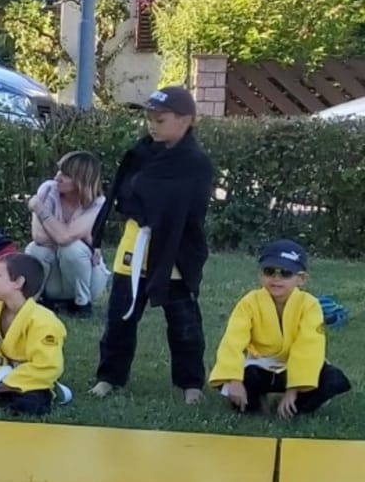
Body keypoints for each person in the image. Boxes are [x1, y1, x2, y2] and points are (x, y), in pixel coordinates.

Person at [91, 86, 214, 403]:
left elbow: (191, 210)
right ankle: (109, 377)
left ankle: (190, 384)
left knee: (184, 324)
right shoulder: (141, 153)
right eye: (149, 119)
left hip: (175, 251)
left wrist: (158, 212)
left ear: (185, 120)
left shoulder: (196, 163)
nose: (152, 126)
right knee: (120, 317)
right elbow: (125, 195)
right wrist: (145, 210)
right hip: (135, 245)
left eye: (160, 120)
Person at [211, 239, 351, 419]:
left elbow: (309, 346)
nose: (276, 279)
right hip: (259, 365)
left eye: (286, 273)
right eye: (269, 272)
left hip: (292, 366)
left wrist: (294, 389)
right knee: (238, 389)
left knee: (332, 379)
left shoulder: (309, 305)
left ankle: (289, 404)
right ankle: (257, 400)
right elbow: (232, 341)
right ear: (261, 275)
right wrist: (235, 380)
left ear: (301, 279)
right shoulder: (249, 302)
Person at [0, 253, 69, 416]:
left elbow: (47, 367)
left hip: (24, 382)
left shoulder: (44, 321)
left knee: (30, 405)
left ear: (18, 282)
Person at [26, 151, 110, 314]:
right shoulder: (48, 189)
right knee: (35, 249)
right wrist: (71, 236)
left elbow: (64, 238)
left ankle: (82, 304)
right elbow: (38, 236)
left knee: (72, 249)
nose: (57, 177)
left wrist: (39, 208)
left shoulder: (98, 204)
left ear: (82, 180)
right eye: (59, 171)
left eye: (66, 175)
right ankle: (42, 298)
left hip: (88, 279)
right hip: (56, 276)